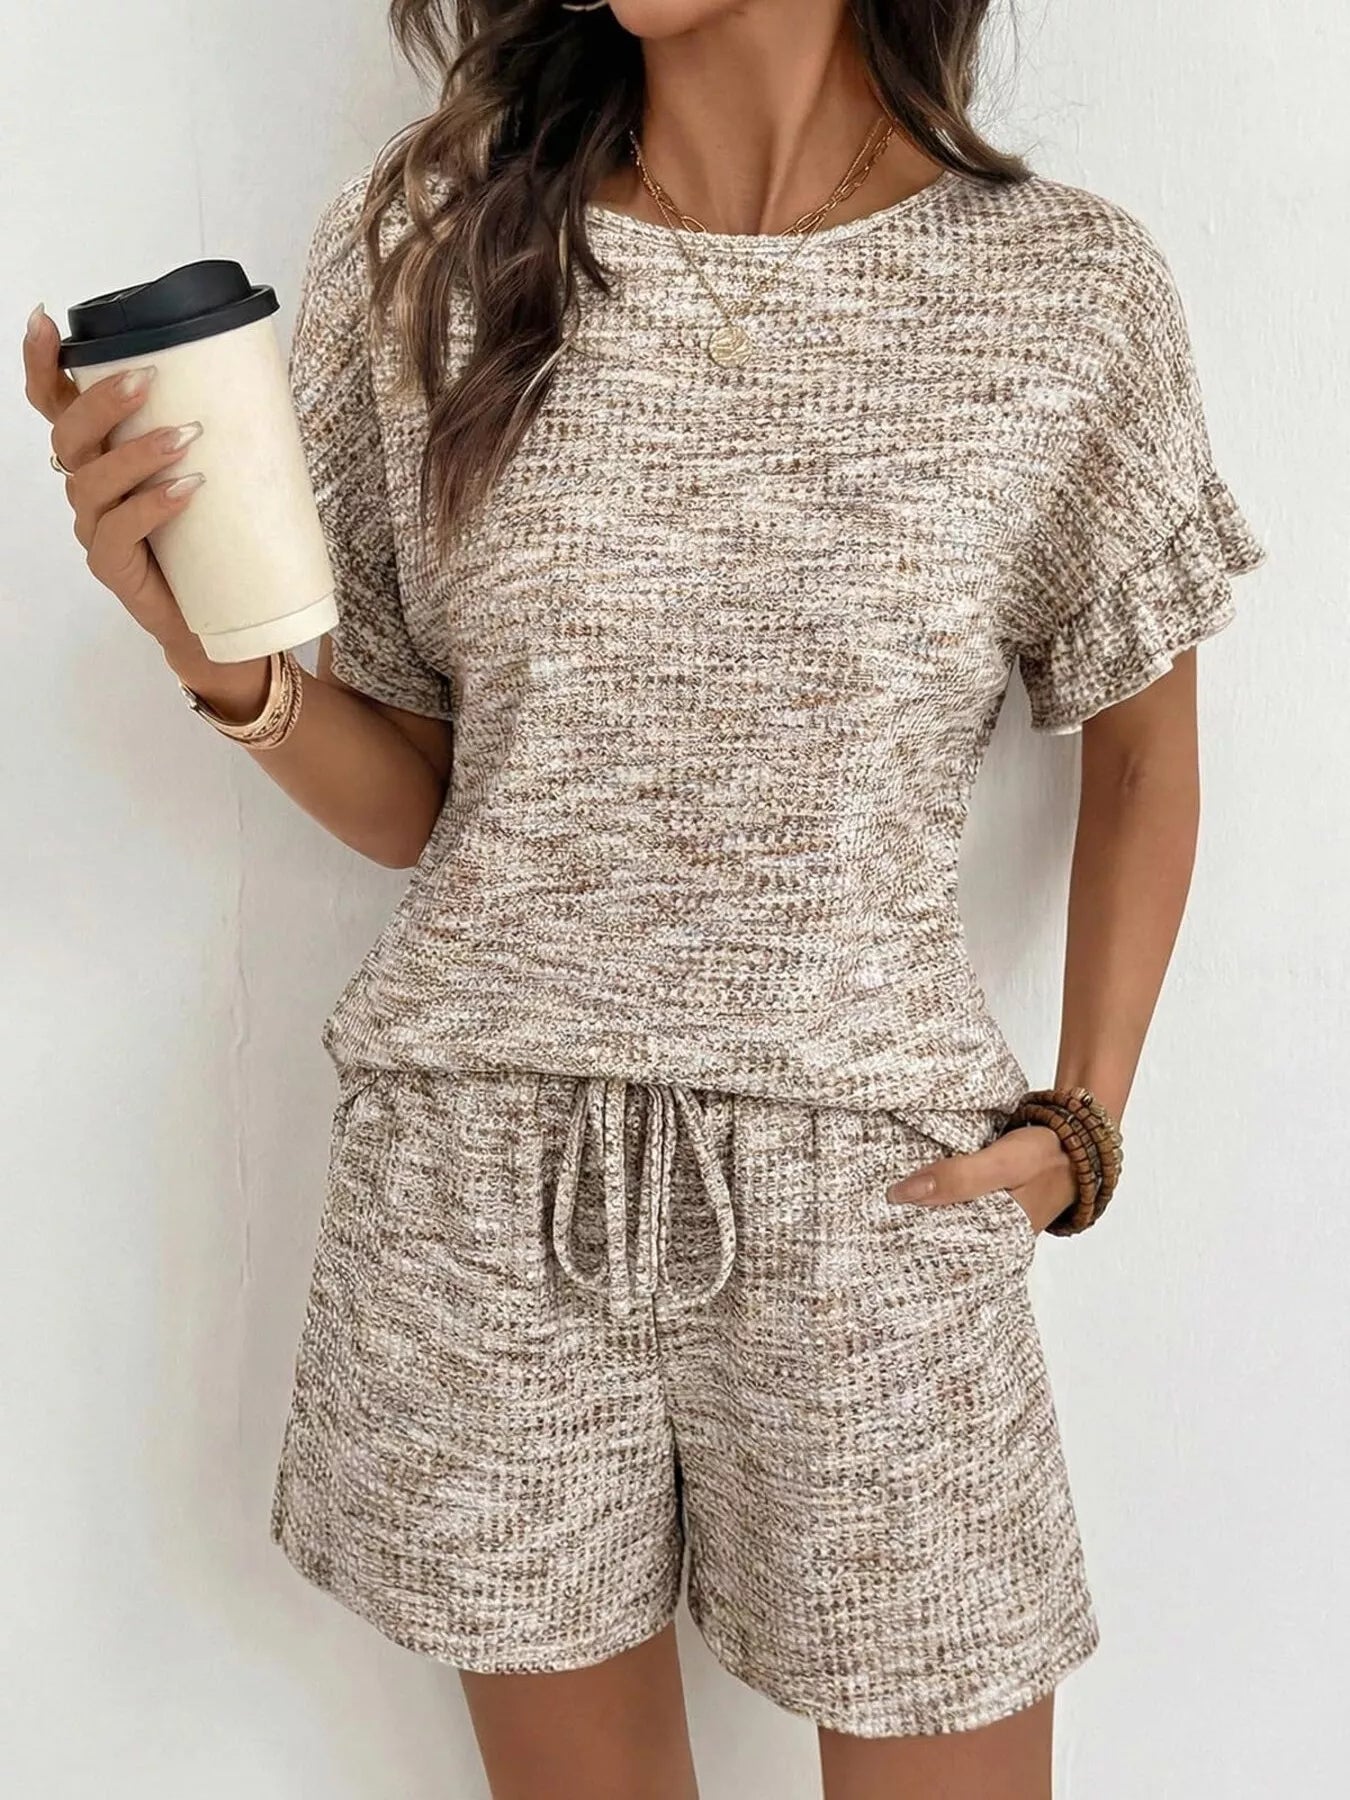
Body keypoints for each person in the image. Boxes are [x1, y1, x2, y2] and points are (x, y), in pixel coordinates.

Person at [22, 2, 1266, 1794]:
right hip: (483, 1181)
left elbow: (1143, 751)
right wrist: (206, 653)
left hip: (871, 1184)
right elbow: (421, 803)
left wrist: (1084, 1121)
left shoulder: (1061, 290)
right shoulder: (429, 250)